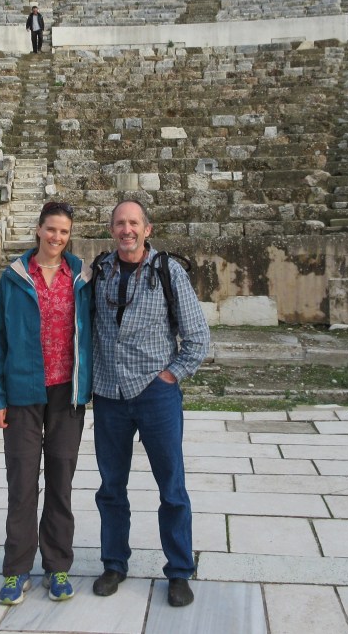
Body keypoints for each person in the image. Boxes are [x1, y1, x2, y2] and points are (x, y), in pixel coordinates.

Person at [90, 199, 210, 608]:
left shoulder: (168, 271)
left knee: (171, 487)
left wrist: (171, 375)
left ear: (147, 229)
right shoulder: (100, 271)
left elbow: (197, 337)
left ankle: (179, 571)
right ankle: (114, 563)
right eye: (120, 223)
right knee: (111, 487)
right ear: (112, 229)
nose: (127, 230)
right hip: (109, 394)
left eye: (133, 223)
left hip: (155, 393)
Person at [0, 200, 93, 606]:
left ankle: (57, 566)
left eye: (64, 231)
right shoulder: (14, 277)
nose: (56, 237)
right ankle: (16, 570)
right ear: (38, 229)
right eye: (51, 229)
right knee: (22, 484)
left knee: (61, 482)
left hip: (67, 394)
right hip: (23, 393)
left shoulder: (81, 276)